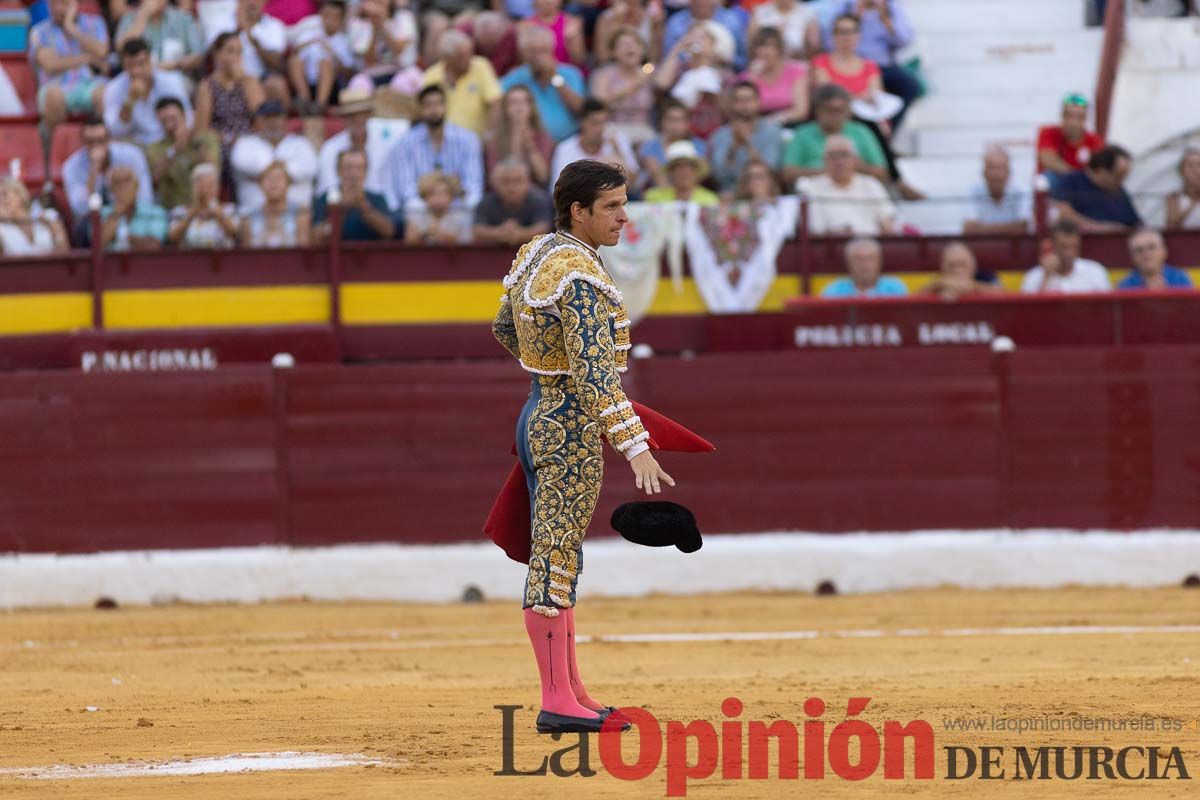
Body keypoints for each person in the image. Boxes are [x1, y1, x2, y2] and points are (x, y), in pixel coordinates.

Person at [490, 159, 674, 735]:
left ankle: (571, 691)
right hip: (568, 421)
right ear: (579, 211)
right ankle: (555, 700)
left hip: (537, 409)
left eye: (625, 203)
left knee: (561, 553)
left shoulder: (536, 255)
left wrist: (544, 367)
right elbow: (597, 379)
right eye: (613, 207)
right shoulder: (582, 279)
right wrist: (636, 446)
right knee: (555, 558)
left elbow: (503, 326)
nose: (625, 217)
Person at [822, 0, 919, 129]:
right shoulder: (846, 5)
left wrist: (885, 18)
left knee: (911, 86)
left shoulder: (890, 6)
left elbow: (904, 42)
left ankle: (887, 130)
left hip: (884, 67)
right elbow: (828, 42)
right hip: (852, 63)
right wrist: (855, 17)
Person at [385, 85, 483, 212]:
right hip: (419, 213)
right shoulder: (404, 143)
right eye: (428, 105)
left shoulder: (468, 140)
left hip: (459, 211)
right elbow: (405, 190)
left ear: (446, 106)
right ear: (420, 109)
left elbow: (473, 188)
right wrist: (430, 210)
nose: (434, 110)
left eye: (438, 104)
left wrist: (451, 208)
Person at [28, 0, 110, 147]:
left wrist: (71, 28)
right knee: (53, 97)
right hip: (56, 86)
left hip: (89, 85)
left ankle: (102, 149)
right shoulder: (39, 31)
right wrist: (88, 58)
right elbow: (50, 65)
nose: (59, 8)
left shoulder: (95, 23)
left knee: (107, 93)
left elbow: (102, 52)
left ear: (75, 4)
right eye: (55, 4)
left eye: (64, 3)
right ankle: (58, 151)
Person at [194, 31, 265, 193]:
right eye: (230, 51)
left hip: (249, 140)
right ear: (217, 54)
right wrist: (228, 139)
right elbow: (202, 130)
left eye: (239, 51)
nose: (235, 56)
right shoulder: (207, 86)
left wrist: (246, 83)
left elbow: (261, 119)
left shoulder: (249, 81)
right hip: (222, 143)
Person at [781, 84, 888, 185]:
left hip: (857, 192)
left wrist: (855, 167)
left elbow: (882, 173)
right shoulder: (802, 134)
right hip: (815, 193)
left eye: (840, 110)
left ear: (848, 111)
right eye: (829, 110)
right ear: (817, 110)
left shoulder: (861, 132)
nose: (834, 115)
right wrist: (825, 171)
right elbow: (787, 173)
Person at [229, 100, 319, 214]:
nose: (272, 122)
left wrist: (262, 174)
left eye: (277, 117)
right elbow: (240, 162)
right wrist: (286, 172)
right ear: (258, 121)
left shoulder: (301, 143)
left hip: (297, 217)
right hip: (253, 216)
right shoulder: (245, 143)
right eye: (267, 118)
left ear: (285, 120)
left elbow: (310, 168)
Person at [500, 25, 586, 143]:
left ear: (551, 50)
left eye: (542, 51)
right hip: (530, 143)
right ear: (523, 54)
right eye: (532, 52)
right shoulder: (513, 79)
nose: (538, 57)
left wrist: (554, 77)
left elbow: (580, 109)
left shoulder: (570, 74)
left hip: (568, 141)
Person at [799, 135, 896, 236]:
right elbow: (815, 229)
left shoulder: (871, 184)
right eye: (832, 156)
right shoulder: (810, 187)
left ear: (855, 159)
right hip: (830, 246)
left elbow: (887, 223)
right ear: (824, 160)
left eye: (844, 155)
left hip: (870, 245)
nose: (839, 161)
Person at [103, 37, 194, 145]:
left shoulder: (172, 81)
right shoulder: (113, 88)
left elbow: (188, 118)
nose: (136, 71)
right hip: (137, 145)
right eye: (130, 66)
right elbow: (114, 131)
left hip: (169, 140)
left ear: (150, 61)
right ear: (123, 66)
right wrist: (130, 101)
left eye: (141, 64)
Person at [63, 117, 155, 220]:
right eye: (90, 142)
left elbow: (146, 198)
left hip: (132, 214)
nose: (96, 146)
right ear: (83, 142)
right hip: (96, 220)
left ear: (109, 140)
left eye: (101, 141)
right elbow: (81, 209)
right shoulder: (72, 166)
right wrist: (94, 170)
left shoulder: (132, 155)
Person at [144, 96, 221, 210]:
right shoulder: (154, 148)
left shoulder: (206, 138)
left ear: (184, 116)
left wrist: (195, 141)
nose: (169, 125)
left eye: (173, 118)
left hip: (207, 208)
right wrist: (175, 149)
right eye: (164, 121)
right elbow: (155, 179)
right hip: (175, 209)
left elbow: (213, 169)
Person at [203, 0, 289, 103]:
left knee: (276, 84)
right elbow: (212, 53)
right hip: (226, 76)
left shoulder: (274, 25)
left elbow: (277, 64)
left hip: (262, 77)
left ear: (265, 2)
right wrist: (238, 29)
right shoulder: (221, 20)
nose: (252, 3)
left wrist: (251, 36)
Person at [421, 29, 501, 137]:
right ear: (447, 59)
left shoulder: (481, 66)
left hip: (477, 140)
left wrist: (489, 135)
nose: (469, 60)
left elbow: (495, 103)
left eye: (470, 54)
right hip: (444, 141)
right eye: (461, 57)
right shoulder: (431, 76)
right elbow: (424, 110)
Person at [315, 87, 394, 197]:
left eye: (362, 114)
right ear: (343, 118)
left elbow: (389, 188)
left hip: (378, 207)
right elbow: (329, 189)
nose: (357, 119)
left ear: (369, 115)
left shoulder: (385, 146)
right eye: (351, 115)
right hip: (342, 206)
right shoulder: (330, 149)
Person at [708, 81, 784, 194]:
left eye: (749, 100)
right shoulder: (720, 135)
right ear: (731, 105)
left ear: (758, 102)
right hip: (730, 195)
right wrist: (733, 148)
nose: (745, 105)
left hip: (762, 195)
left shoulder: (772, 132)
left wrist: (746, 144)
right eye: (739, 100)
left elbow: (770, 171)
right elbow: (719, 175)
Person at [548, 99, 639, 192]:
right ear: (582, 123)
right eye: (595, 123)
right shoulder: (565, 148)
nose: (600, 129)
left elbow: (634, 183)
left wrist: (618, 152)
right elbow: (558, 189)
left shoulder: (617, 141)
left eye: (604, 122)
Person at [588, 27, 657, 146]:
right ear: (613, 52)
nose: (630, 47)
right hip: (613, 129)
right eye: (623, 44)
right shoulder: (604, 74)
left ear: (642, 50)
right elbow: (598, 104)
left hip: (644, 129)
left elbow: (663, 86)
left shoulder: (649, 73)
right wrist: (635, 84)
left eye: (635, 43)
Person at [1050, 145, 1141, 232]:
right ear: (1101, 170)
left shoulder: (1119, 192)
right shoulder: (1071, 181)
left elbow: (1135, 223)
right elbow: (1062, 214)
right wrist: (1100, 228)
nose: (1121, 182)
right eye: (1118, 176)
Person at [287, 0, 356, 115]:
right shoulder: (310, 34)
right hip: (308, 84)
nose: (329, 21)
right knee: (295, 61)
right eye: (326, 16)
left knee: (325, 63)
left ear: (341, 20)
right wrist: (310, 42)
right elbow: (293, 54)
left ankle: (320, 105)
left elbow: (348, 72)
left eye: (334, 17)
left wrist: (331, 53)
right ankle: (304, 99)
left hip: (332, 89)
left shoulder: (344, 41)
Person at [312, 150, 394, 243]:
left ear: (365, 172)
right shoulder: (325, 199)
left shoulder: (377, 199)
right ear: (338, 171)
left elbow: (389, 232)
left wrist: (365, 208)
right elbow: (315, 238)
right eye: (348, 168)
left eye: (359, 168)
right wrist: (340, 210)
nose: (353, 174)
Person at [485, 85, 555, 188]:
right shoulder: (494, 140)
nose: (519, 107)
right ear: (505, 109)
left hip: (533, 191)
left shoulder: (543, 137)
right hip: (502, 191)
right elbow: (493, 179)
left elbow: (543, 176)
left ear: (531, 108)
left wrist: (530, 146)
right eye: (513, 102)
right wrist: (515, 140)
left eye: (523, 102)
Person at [473, 158, 554, 246]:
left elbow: (545, 228)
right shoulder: (486, 202)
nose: (512, 187)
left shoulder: (540, 199)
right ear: (494, 183)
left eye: (517, 181)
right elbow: (477, 231)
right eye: (505, 181)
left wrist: (520, 234)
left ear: (528, 182)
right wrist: (500, 233)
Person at [739, 27, 809, 126]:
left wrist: (774, 120)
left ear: (779, 49)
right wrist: (752, 77)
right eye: (760, 46)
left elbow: (801, 110)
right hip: (757, 127)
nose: (765, 52)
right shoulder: (748, 77)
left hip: (790, 124)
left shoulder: (796, 71)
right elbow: (744, 109)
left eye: (770, 46)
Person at [115, 0, 205, 76]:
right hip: (139, 78)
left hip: (177, 77)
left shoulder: (183, 18)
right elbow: (120, 49)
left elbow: (198, 56)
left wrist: (175, 65)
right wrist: (143, 15)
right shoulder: (129, 19)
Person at [1020, 219, 1111, 294]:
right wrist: (1046, 277)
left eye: (1074, 247)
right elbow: (1030, 312)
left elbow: (1108, 309)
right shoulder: (1034, 277)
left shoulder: (1095, 271)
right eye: (1064, 247)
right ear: (1053, 247)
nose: (1070, 254)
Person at [812, 14, 883, 106]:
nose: (847, 36)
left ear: (859, 35)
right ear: (833, 35)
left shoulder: (871, 65)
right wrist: (862, 97)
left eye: (852, 31)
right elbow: (828, 94)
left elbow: (876, 95)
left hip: (866, 116)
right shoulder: (820, 62)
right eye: (842, 32)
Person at [637, 99, 708, 190]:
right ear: (662, 122)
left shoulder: (699, 146)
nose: (675, 125)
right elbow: (658, 176)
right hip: (660, 195)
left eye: (679, 120)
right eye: (671, 120)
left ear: (687, 123)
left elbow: (698, 176)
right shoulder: (650, 147)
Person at [1036, 93, 1104, 186]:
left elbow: (1101, 170)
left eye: (1079, 117)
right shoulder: (1048, 132)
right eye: (1068, 116)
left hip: (1082, 190)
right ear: (1062, 116)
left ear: (1085, 119)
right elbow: (1047, 160)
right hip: (1057, 188)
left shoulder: (1094, 140)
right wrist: (1079, 177)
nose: (1073, 122)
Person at [166, 162, 240, 248]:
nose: (205, 190)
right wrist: (192, 213)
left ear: (218, 188)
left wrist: (215, 209)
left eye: (210, 185)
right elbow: (172, 237)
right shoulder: (180, 211)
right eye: (201, 185)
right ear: (192, 188)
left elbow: (235, 234)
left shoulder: (229, 209)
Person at [239, 161, 311, 246]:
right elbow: (247, 254)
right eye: (268, 178)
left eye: (279, 178)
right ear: (260, 184)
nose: (273, 183)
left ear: (288, 184)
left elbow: (303, 251)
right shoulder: (248, 216)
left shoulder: (301, 214)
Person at [99, 164, 169, 251]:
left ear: (136, 186)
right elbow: (98, 244)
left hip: (144, 263)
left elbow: (153, 246)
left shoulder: (155, 212)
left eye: (127, 181)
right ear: (111, 189)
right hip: (109, 264)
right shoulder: (101, 213)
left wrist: (122, 236)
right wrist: (117, 212)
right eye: (117, 182)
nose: (123, 187)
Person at [662, 0, 748, 70]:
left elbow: (741, 60)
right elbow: (668, 56)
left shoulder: (732, 21)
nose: (702, 2)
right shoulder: (676, 22)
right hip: (681, 75)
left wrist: (720, 60)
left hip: (723, 75)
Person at [963, 146, 1029, 235]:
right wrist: (1011, 228)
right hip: (981, 246)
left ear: (1009, 172)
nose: (996, 174)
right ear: (983, 172)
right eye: (991, 168)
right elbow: (969, 229)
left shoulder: (1021, 191)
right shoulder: (972, 192)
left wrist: (981, 229)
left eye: (1000, 168)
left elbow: (1024, 227)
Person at [819, 236, 907, 297]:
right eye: (858, 259)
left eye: (870, 258)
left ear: (879, 261)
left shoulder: (895, 288)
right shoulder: (833, 291)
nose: (864, 264)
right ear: (849, 262)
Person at [0, 178, 68, 255]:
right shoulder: (1, 228)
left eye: (4, 194)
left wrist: (55, 230)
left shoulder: (48, 216)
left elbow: (65, 253)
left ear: (20, 194)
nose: (1, 200)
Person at [918, 241, 1003, 301]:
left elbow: (1004, 294)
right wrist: (940, 284)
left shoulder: (986, 275)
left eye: (963, 264)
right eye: (952, 265)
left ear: (973, 264)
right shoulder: (937, 281)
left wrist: (973, 287)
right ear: (942, 267)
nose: (957, 270)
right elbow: (915, 298)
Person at [403, 171, 473, 244]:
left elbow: (466, 243)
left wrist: (443, 237)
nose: (438, 198)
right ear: (424, 197)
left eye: (443, 193)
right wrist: (426, 234)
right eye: (432, 194)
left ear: (452, 196)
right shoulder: (416, 216)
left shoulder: (462, 216)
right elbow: (410, 242)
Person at [643, 140, 718, 205]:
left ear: (696, 171)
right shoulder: (654, 198)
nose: (684, 172)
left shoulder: (710, 200)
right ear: (671, 172)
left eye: (689, 167)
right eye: (679, 166)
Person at [1117, 228, 1193, 290]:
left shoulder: (1180, 279)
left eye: (1151, 247)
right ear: (1132, 257)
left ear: (1163, 251)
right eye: (1139, 250)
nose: (1146, 254)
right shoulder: (1125, 286)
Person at [518, 0, 585, 66]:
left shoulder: (572, 23)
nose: (547, 1)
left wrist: (572, 41)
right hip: (537, 73)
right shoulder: (525, 26)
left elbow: (579, 60)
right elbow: (524, 62)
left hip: (565, 73)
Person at [594, 0, 664, 63]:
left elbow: (654, 58)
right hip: (614, 69)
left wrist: (655, 29)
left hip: (643, 69)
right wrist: (617, 22)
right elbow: (603, 57)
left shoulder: (653, 17)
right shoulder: (607, 18)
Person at [748, 0, 821, 58]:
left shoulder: (808, 13)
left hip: (798, 63)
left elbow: (813, 49)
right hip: (766, 65)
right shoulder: (760, 12)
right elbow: (751, 46)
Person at [1165, 145, 1200, 230]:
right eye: (1190, 166)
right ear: (1182, 171)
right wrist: (1193, 202)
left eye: (1199, 165)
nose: (1196, 170)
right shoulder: (1174, 198)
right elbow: (1171, 226)